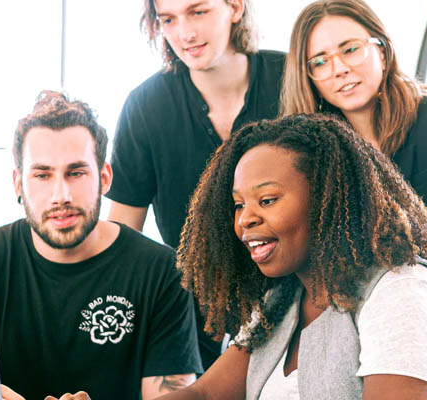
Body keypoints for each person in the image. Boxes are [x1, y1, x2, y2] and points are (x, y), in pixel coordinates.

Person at [42, 114, 427, 399]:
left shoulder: (403, 292)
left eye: (266, 200)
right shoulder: (282, 301)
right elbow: (205, 396)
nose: (244, 220)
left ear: (325, 198)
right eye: (237, 205)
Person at [0, 91, 202, 400]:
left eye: (76, 173)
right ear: (19, 184)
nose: (61, 195)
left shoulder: (160, 272)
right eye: (43, 175)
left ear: (105, 177)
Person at [279, 0, 427, 351]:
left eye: (350, 49)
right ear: (309, 79)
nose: (338, 68)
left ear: (382, 51)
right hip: (363, 331)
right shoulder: (310, 160)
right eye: (319, 62)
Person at [106, 0, 286, 369]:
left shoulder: (290, 78)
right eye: (168, 19)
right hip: (193, 316)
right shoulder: (145, 106)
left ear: (235, 6)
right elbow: (122, 237)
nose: (184, 34)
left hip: (296, 298)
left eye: (198, 11)